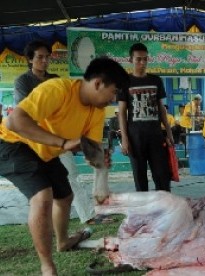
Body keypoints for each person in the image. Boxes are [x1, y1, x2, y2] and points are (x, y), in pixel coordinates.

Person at [0, 57, 129, 275]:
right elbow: (15, 121)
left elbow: (91, 147)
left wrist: (100, 161)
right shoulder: (57, 89)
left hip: (45, 150)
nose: (114, 99)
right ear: (98, 83)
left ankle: (62, 242)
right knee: (43, 197)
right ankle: (47, 266)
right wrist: (63, 143)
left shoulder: (96, 110)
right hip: (13, 142)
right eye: (113, 92)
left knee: (65, 196)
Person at [14, 40, 109, 225]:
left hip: (57, 138)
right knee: (39, 186)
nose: (44, 61)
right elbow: (24, 113)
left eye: (47, 57)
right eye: (40, 57)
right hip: (33, 139)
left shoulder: (55, 80)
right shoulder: (23, 81)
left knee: (71, 176)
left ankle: (88, 215)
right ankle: (43, 219)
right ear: (30, 59)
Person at [118, 42, 173, 192]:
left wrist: (168, 132)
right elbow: (122, 112)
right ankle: (145, 211)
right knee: (140, 178)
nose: (142, 63)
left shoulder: (156, 80)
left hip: (156, 136)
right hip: (135, 138)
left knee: (162, 176)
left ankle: (164, 209)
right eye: (138, 59)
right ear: (131, 60)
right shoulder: (124, 82)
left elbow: (161, 109)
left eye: (145, 59)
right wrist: (125, 139)